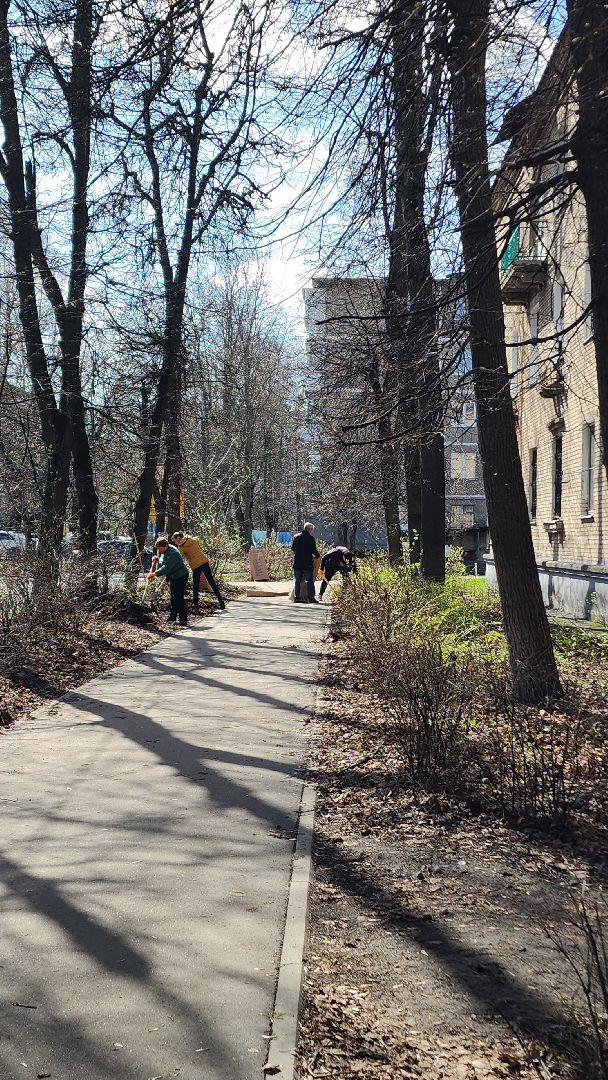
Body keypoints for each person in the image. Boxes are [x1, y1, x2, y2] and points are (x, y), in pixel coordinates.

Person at [171, 530, 226, 611]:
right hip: (204, 561)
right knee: (211, 581)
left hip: (195, 565)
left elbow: (180, 558)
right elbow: (200, 548)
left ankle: (196, 604)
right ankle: (220, 600)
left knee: (196, 585)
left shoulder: (181, 547)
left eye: (174, 541)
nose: (175, 543)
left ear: (178, 538)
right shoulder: (192, 539)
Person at [147, 536, 190, 626]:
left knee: (178, 597)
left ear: (165, 546)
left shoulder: (173, 553)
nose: (159, 550)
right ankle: (172, 617)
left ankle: (183, 619)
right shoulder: (168, 550)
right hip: (174, 576)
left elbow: (167, 567)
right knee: (173, 598)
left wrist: (155, 574)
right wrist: (158, 559)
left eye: (159, 548)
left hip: (180, 576)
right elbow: (164, 560)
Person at [291, 522, 320, 604]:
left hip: (297, 563)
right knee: (309, 581)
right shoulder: (310, 538)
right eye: (312, 530)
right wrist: (318, 556)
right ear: (309, 529)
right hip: (307, 563)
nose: (312, 531)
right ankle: (311, 598)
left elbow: (293, 548)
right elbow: (314, 550)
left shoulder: (296, 537)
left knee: (298, 581)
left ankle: (297, 598)